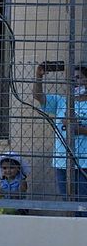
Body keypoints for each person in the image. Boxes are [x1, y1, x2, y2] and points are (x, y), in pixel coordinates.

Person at [32, 62, 87, 211]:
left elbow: (76, 128)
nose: (74, 81)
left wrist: (78, 129)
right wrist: (38, 77)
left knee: (83, 204)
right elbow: (38, 97)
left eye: (78, 78)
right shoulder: (62, 101)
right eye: (71, 78)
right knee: (68, 204)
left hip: (83, 162)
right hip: (62, 160)